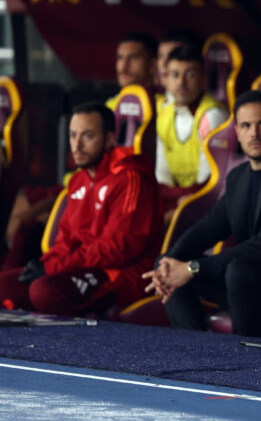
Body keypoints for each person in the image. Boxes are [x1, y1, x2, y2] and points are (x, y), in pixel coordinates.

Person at [143, 90, 261, 336]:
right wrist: (169, 263)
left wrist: (192, 268)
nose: (254, 133)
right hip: (249, 283)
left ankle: (244, 361)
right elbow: (208, 228)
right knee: (170, 264)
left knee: (238, 269)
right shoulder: (238, 177)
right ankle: (193, 349)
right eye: (246, 125)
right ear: (237, 132)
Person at [0, 102, 163, 315]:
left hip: (120, 274)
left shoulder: (131, 179)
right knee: (5, 286)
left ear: (109, 139)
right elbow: (65, 240)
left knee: (44, 292)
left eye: (87, 136)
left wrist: (53, 268)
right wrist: (47, 263)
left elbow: (118, 248)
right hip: (79, 268)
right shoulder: (78, 180)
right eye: (72, 135)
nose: (76, 145)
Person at [155, 43, 228, 217]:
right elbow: (161, 178)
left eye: (191, 74)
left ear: (203, 80)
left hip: (208, 201)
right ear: (165, 78)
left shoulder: (211, 115)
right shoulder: (163, 112)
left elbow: (208, 183)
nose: (181, 82)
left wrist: (178, 200)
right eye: (175, 74)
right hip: (177, 199)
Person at [106, 32, 158, 110]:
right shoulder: (110, 106)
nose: (123, 67)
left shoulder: (166, 106)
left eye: (133, 58)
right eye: (120, 57)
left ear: (153, 64)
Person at [156, 28, 202, 110]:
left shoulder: (208, 111)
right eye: (160, 56)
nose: (164, 64)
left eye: (172, 56)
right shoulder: (159, 102)